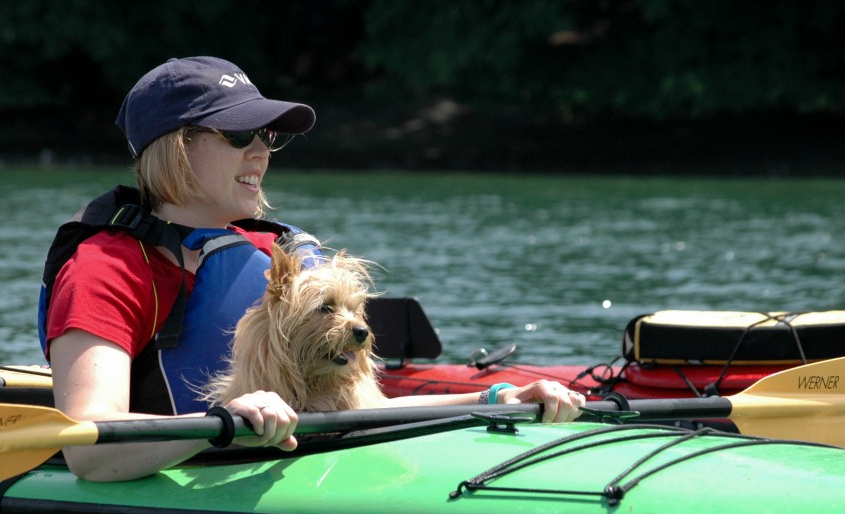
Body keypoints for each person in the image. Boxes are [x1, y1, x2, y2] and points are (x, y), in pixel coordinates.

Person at [41, 56, 585, 482]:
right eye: (238, 136)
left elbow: (365, 407)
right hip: (184, 481)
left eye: (267, 137)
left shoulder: (274, 251)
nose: (260, 153)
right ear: (176, 149)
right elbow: (90, 445)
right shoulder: (107, 268)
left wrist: (494, 399)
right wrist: (226, 419)